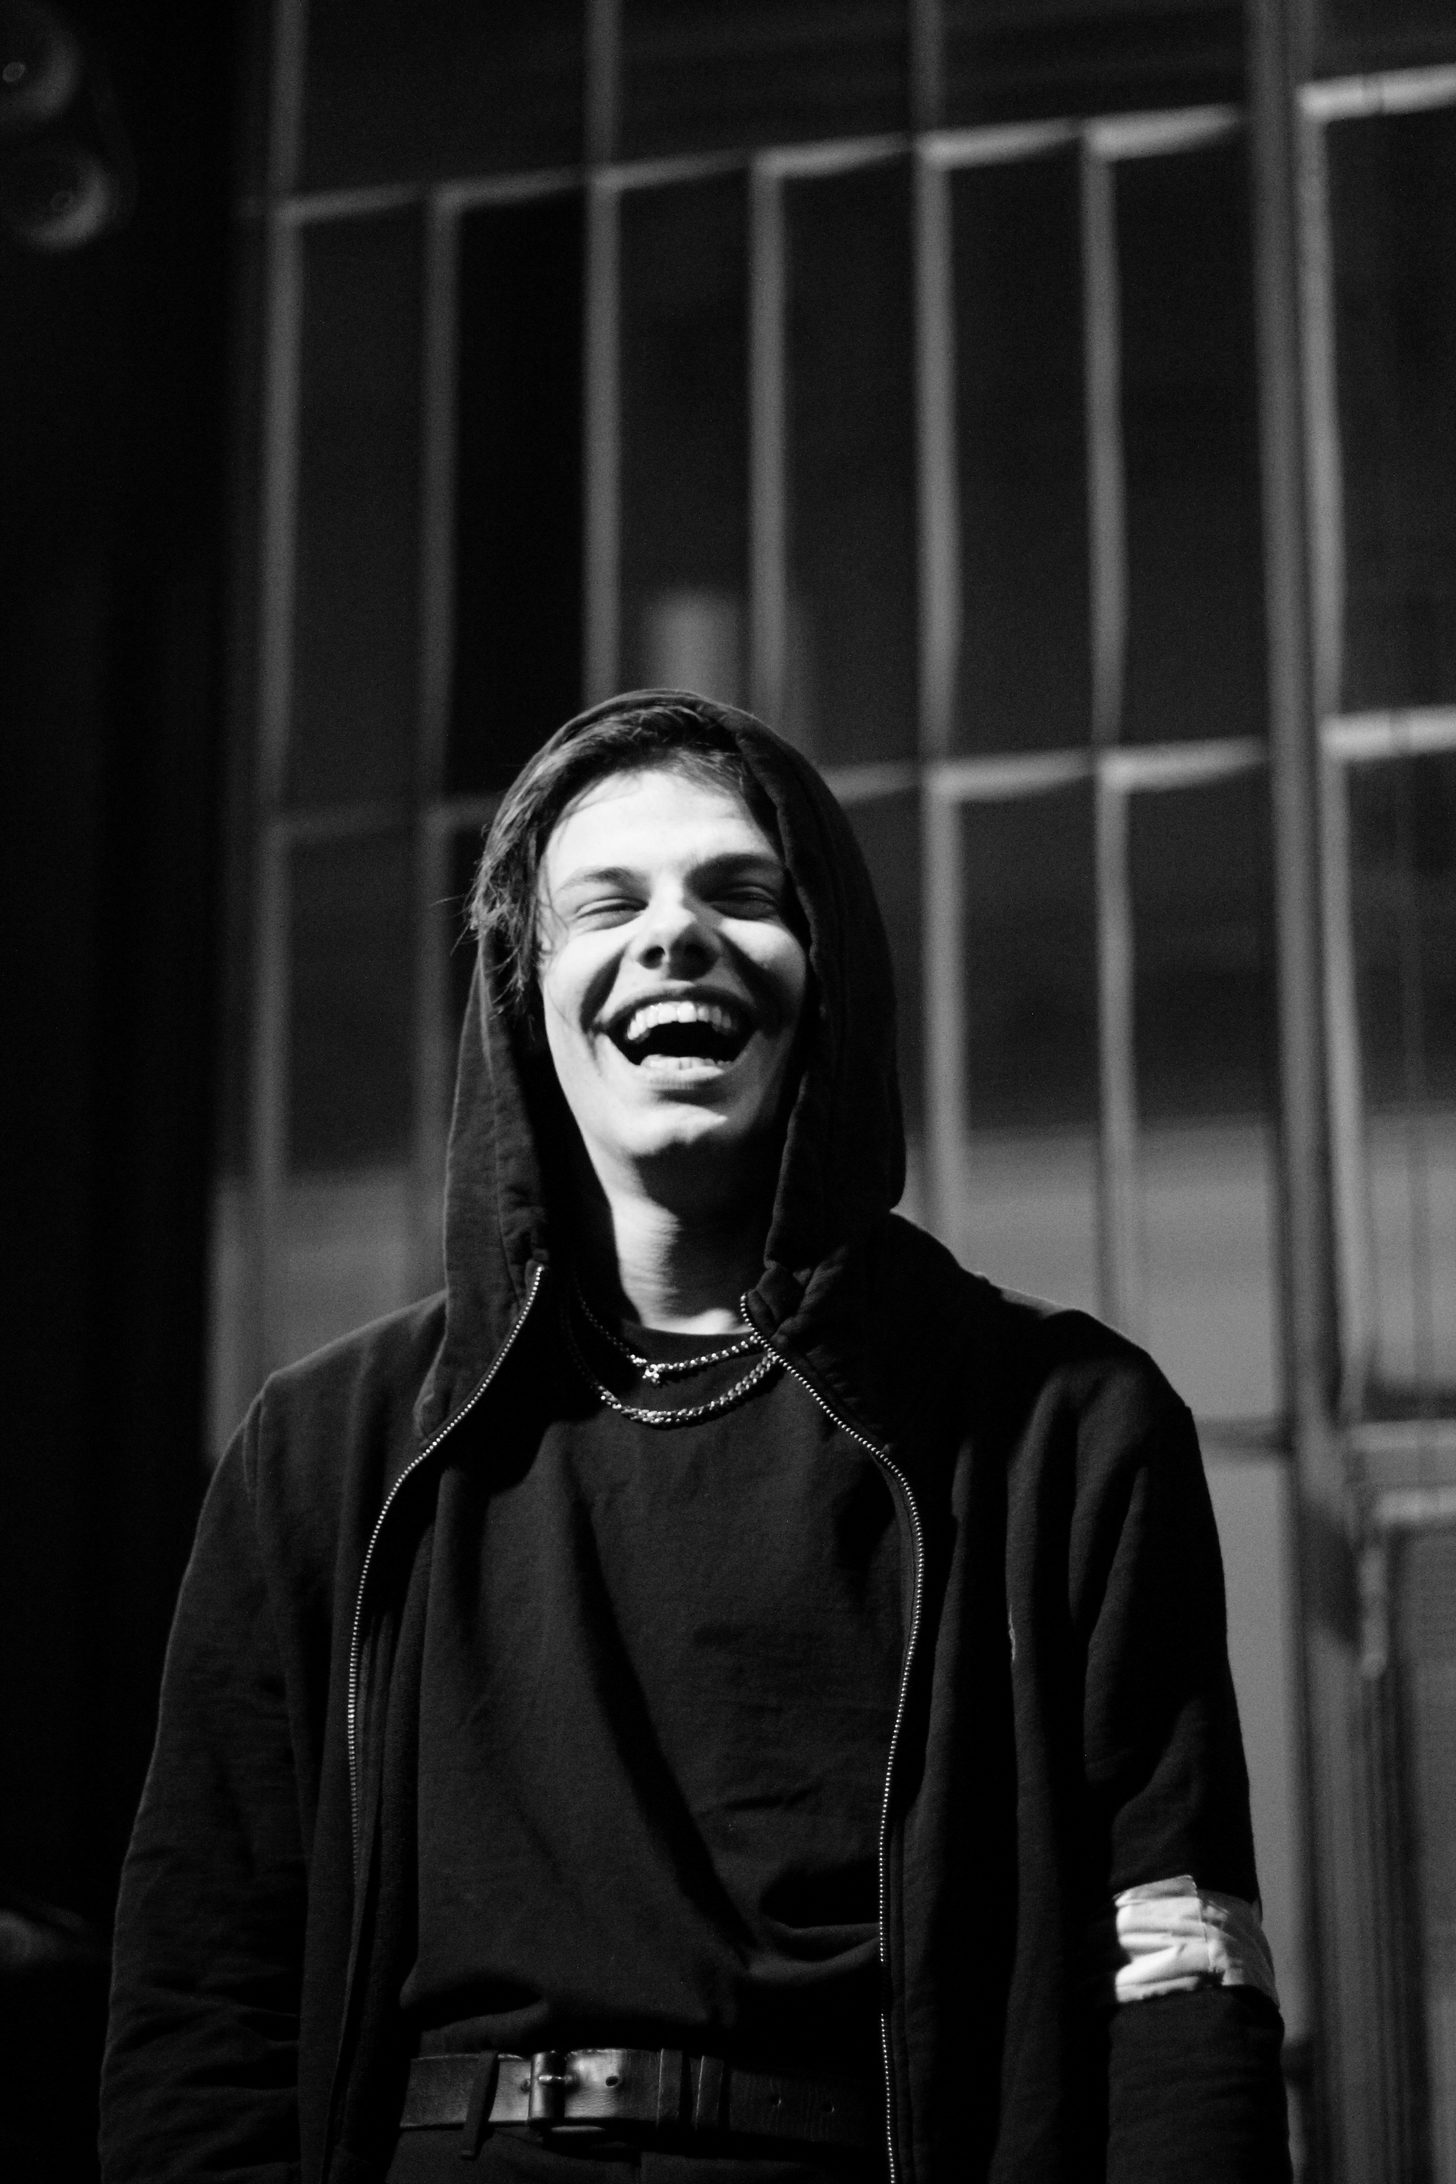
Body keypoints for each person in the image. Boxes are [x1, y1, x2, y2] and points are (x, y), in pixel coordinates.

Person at [101, 691, 1291, 2184]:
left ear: (831, 972)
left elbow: (1178, 1971)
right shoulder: (323, 1452)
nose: (675, 934)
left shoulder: (1064, 1427)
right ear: (525, 994)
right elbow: (201, 2000)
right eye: (610, 905)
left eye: (742, 893)